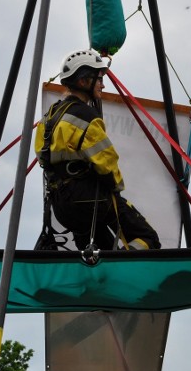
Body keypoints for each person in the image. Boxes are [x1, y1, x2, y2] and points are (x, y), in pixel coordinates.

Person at [34, 49, 161, 251]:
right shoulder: (87, 117)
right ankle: (122, 269)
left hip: (62, 207)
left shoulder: (49, 117)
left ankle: (102, 274)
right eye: (99, 78)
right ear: (84, 81)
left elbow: (42, 156)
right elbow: (107, 164)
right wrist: (116, 193)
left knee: (99, 250)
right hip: (90, 201)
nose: (103, 84)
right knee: (148, 238)